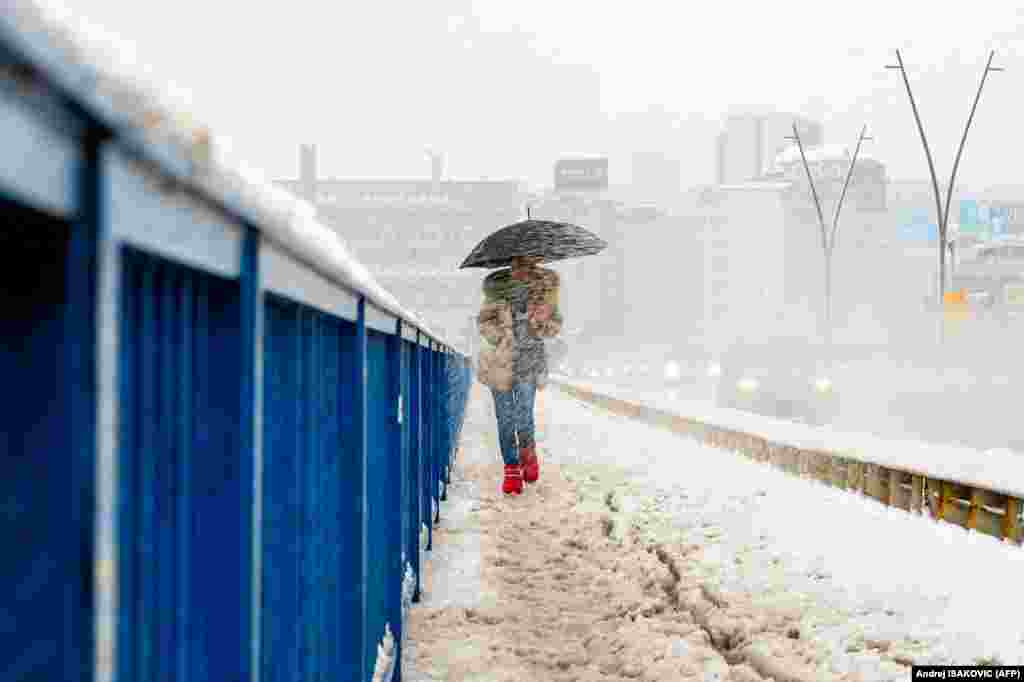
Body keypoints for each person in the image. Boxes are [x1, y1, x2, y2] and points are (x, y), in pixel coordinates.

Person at [476, 256, 562, 495]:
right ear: (511, 264)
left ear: (533, 265)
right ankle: (511, 469)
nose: (521, 269)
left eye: (526, 265)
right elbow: (483, 322)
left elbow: (554, 328)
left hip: (529, 363)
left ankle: (528, 455)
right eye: (517, 264)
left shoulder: (543, 293)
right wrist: (501, 336)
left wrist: (542, 321)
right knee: (505, 419)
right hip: (500, 362)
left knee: (524, 415)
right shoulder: (496, 291)